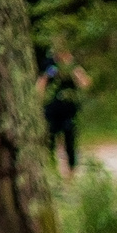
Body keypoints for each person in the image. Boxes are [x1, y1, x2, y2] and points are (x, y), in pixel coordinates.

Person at [41, 44, 92, 176]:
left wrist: (71, 66)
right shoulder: (49, 64)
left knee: (70, 139)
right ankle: (51, 170)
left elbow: (85, 83)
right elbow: (40, 85)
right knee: (50, 139)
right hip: (51, 109)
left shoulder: (72, 65)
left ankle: (71, 172)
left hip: (69, 110)